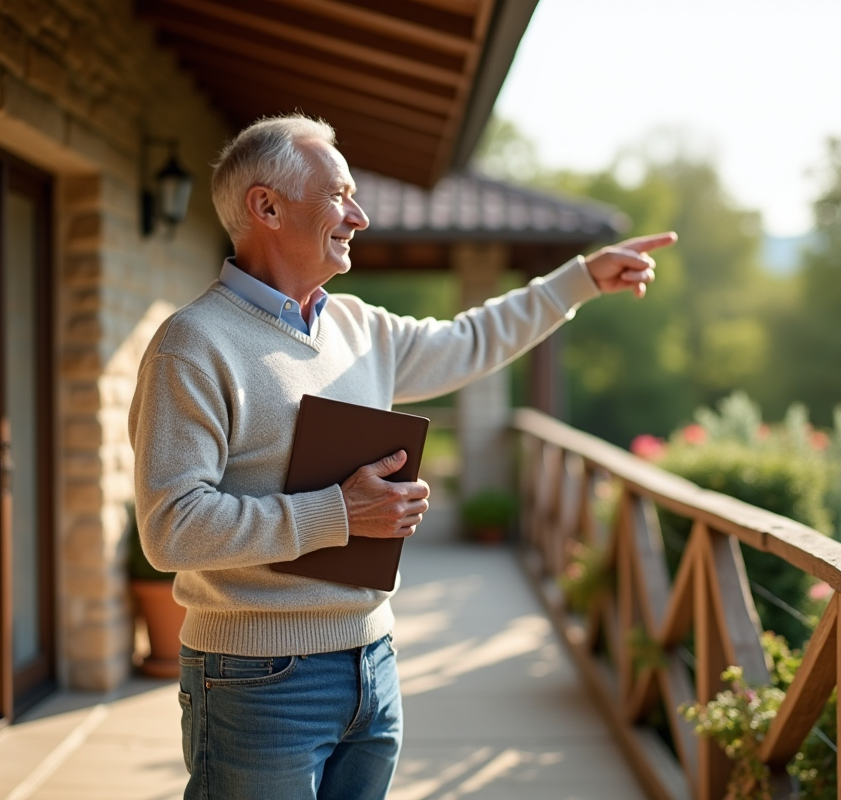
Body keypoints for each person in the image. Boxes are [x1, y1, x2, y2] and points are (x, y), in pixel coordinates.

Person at [128, 113, 676, 800]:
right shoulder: (193, 344)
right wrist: (341, 512)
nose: (358, 216)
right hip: (256, 681)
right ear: (265, 206)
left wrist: (578, 282)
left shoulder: (360, 328)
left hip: (372, 662)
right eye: (339, 195)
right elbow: (170, 528)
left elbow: (472, 339)